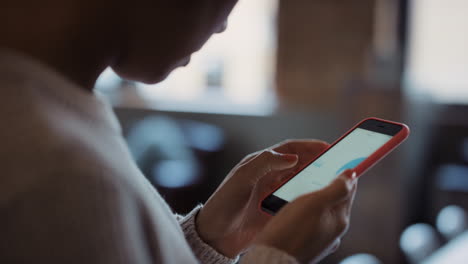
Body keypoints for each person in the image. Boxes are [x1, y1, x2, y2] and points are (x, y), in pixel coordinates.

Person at [0, 1, 358, 263]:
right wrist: (278, 257)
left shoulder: (56, 105)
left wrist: (207, 237)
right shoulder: (56, 171)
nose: (222, 25)